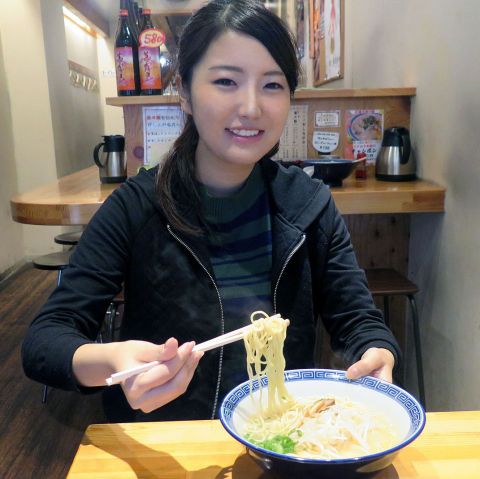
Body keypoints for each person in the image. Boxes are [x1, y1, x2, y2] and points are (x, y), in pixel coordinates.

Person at [22, 0, 400, 423]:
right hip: (174, 436)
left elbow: (357, 317)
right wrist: (110, 360)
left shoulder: (308, 203)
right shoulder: (138, 205)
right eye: (225, 81)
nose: (251, 107)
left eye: (272, 85)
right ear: (184, 91)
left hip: (280, 431)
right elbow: (45, 339)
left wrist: (376, 350)